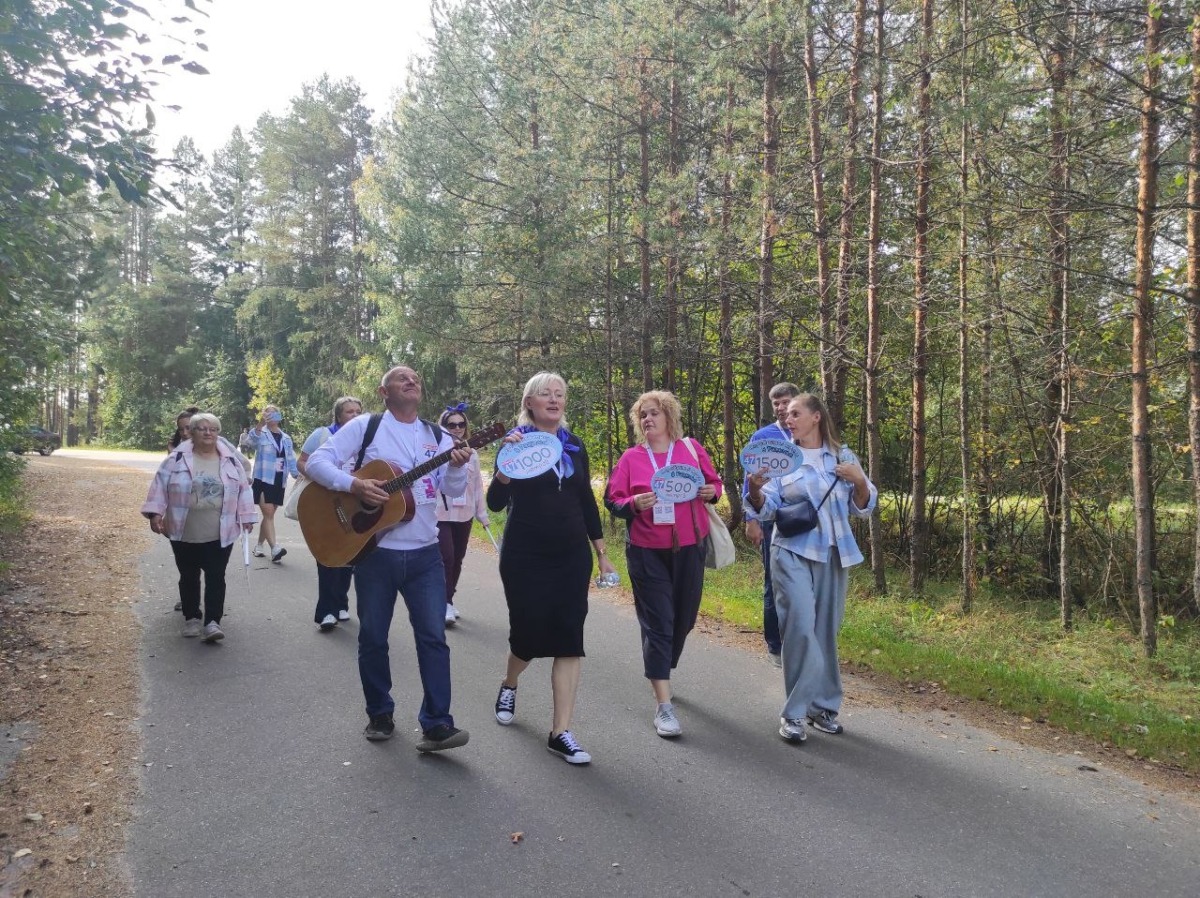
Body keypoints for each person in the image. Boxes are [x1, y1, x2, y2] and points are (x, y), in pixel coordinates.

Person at [306, 366, 472, 752]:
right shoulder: (367, 426)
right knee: (373, 637)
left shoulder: (439, 436)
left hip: (426, 555)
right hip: (375, 554)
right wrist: (355, 484)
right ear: (384, 390)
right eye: (401, 378)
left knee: (433, 638)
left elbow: (451, 489)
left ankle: (437, 724)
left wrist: (458, 467)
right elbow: (317, 462)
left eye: (415, 377)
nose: (411, 380)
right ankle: (379, 713)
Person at [487, 372, 616, 765]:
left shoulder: (574, 446)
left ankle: (560, 732)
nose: (555, 399)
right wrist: (504, 467)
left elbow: (587, 503)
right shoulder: (516, 443)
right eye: (546, 394)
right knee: (527, 635)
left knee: (568, 638)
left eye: (560, 394)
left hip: (570, 555)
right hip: (525, 554)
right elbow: (495, 502)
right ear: (530, 402)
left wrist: (601, 552)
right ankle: (510, 682)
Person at [746, 393, 876, 743]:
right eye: (786, 414)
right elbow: (767, 506)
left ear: (816, 417)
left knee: (825, 633)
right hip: (790, 551)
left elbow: (863, 507)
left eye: (795, 413)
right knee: (801, 627)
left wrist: (860, 481)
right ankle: (794, 714)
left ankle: (823, 707)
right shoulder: (782, 457)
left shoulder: (842, 455)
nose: (788, 419)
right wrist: (756, 492)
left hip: (834, 553)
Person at [604, 390, 722, 739]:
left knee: (682, 620)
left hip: (689, 547)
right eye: (642, 415)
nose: (648, 420)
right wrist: (633, 504)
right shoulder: (631, 458)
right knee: (659, 623)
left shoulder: (690, 449)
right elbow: (612, 499)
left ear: (669, 416)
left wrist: (710, 492)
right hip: (646, 550)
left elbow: (715, 484)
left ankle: (662, 667)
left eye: (654, 413)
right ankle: (663, 705)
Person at [142, 413, 257, 642]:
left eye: (213, 429)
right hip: (184, 529)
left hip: (220, 530)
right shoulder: (175, 460)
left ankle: (213, 622)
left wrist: (246, 516)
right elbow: (159, 486)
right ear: (191, 433)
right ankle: (192, 617)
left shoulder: (230, 460)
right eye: (202, 429)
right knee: (188, 575)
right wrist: (156, 514)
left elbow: (244, 489)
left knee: (216, 575)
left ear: (218, 433)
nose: (208, 433)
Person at [742, 382, 801, 668]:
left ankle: (800, 641)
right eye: (775, 403)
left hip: (803, 521)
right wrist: (751, 519)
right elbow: (750, 480)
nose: (780, 407)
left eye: (785, 402)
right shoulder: (763, 437)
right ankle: (775, 645)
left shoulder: (807, 435)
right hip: (770, 518)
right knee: (774, 581)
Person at [297, 395, 364, 631]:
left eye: (358, 411)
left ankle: (341, 602)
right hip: (325, 501)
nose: (354, 416)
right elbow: (302, 462)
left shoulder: (366, 438)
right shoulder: (322, 435)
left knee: (349, 554)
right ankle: (326, 610)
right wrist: (324, 478)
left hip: (353, 504)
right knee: (326, 554)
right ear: (338, 415)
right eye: (349, 412)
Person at [434, 402, 489, 627]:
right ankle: (443, 602)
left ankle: (448, 599)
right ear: (443, 426)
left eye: (461, 424)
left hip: (464, 513)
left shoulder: (472, 454)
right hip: (440, 513)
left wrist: (482, 514)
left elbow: (476, 486)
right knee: (445, 556)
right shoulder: (437, 450)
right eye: (451, 424)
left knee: (457, 558)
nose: (457, 428)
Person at [249, 404, 298, 563]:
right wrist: (259, 425)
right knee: (268, 514)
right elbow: (251, 441)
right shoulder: (261, 433)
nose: (271, 416)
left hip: (279, 480)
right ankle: (275, 548)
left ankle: (258, 546)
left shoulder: (286, 438)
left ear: (279, 415)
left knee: (268, 516)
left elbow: (290, 458)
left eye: (274, 413)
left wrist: (297, 475)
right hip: (263, 478)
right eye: (267, 414)